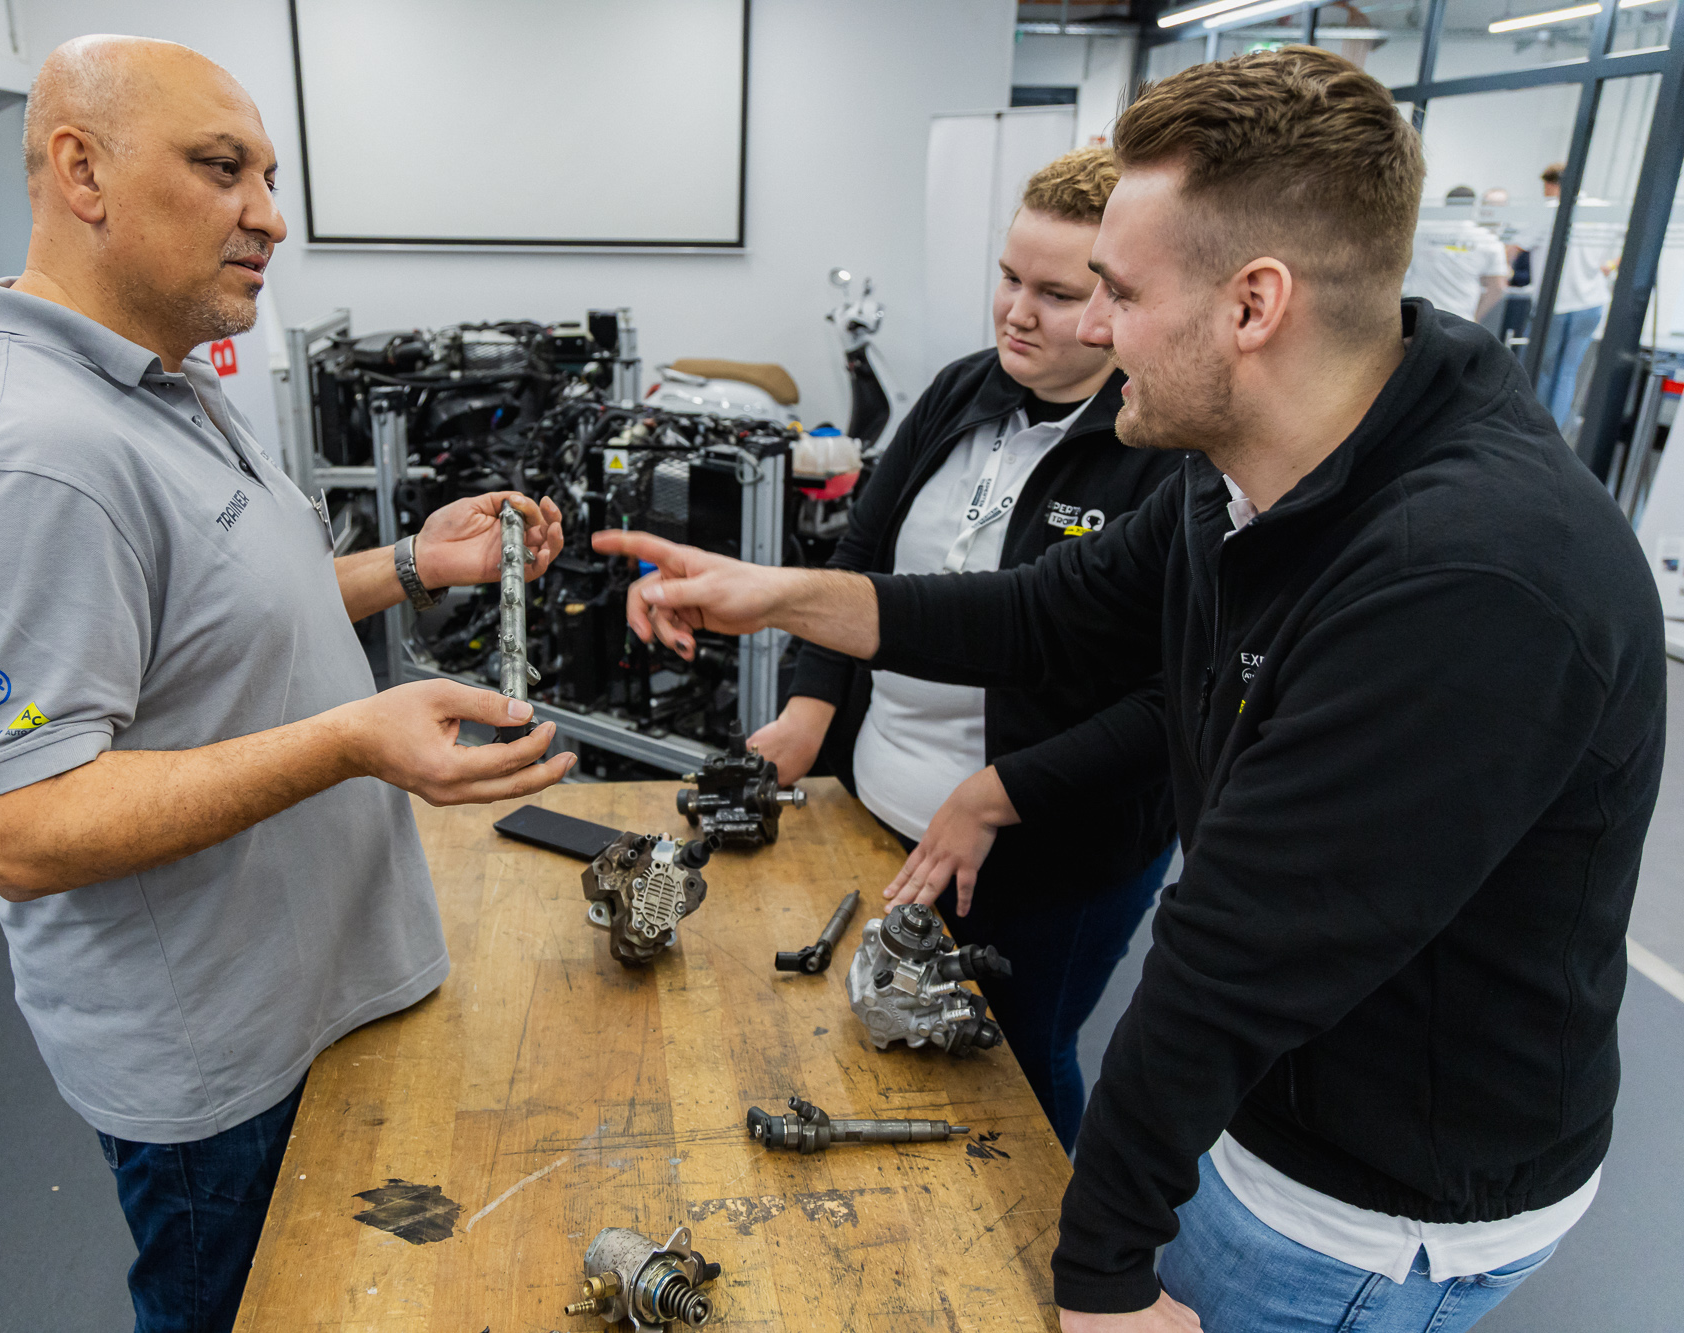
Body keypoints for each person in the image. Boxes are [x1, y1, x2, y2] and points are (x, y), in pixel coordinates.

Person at [596, 46, 1661, 1333]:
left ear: (1252, 305)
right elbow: (1039, 613)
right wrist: (774, 594)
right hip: (1258, 1110)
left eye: (1116, 291)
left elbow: (1230, 958)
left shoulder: (1466, 577)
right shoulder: (1245, 470)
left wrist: (1100, 1281)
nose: (1090, 329)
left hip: (1356, 1211)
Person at [0, 36, 574, 1333]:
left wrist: (412, 564)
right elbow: (25, 826)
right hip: (219, 1063)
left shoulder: (157, 379)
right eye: (220, 169)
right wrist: (351, 741)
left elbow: (221, 614)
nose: (269, 214)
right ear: (81, 171)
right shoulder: (26, 452)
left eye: (268, 174)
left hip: (313, 983)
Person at [748, 146, 1179, 1151]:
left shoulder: (1163, 449)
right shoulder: (959, 391)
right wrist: (811, 707)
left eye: (1056, 293)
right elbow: (860, 559)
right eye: (1008, 277)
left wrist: (994, 795)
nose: (1016, 313)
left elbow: (1171, 704)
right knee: (889, 1034)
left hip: (1044, 849)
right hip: (881, 805)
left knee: (1014, 1065)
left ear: (1119, 299)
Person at [1525, 161, 1622, 428]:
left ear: (1551, 184)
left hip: (1556, 305)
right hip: (1591, 303)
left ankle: (1531, 428)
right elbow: (1632, 240)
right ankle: (1552, 431)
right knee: (1566, 372)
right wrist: (1610, 265)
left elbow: (1514, 249)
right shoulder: (1602, 209)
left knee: (1538, 369)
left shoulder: (1550, 210)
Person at [1401, 212, 1507, 323]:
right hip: (1459, 319)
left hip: (1418, 316)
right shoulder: (1486, 239)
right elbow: (1498, 288)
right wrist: (1474, 319)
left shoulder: (1418, 231)